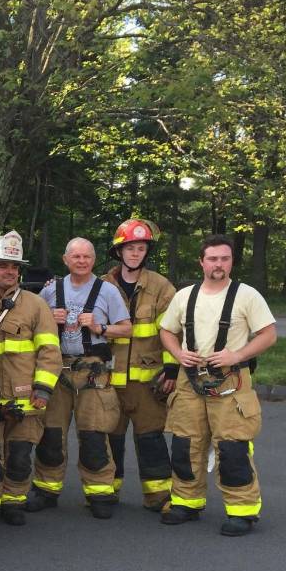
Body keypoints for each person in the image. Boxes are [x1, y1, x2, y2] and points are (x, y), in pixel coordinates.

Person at [158, 234, 277, 536]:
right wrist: (177, 353)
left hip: (231, 382)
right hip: (190, 381)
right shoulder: (185, 296)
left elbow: (268, 334)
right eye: (212, 258)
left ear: (232, 261)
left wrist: (237, 354)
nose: (218, 264)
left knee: (232, 447)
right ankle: (186, 502)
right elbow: (167, 331)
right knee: (186, 444)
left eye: (224, 258)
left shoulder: (247, 295)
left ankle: (242, 511)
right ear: (202, 261)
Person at [28, 237, 131, 518]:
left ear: (94, 260)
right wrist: (49, 317)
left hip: (92, 372)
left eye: (87, 256)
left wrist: (101, 327)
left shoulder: (108, 291)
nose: (82, 261)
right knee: (51, 434)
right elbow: (30, 324)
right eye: (76, 256)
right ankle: (46, 490)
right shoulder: (50, 291)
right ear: (65, 260)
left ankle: (99, 493)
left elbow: (127, 329)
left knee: (94, 434)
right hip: (57, 370)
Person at [0, 231, 62, 527]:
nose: (10, 272)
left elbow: (49, 351)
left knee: (20, 456)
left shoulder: (36, 305)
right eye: (2, 266)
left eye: (14, 267)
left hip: (25, 398)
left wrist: (44, 390)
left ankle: (13, 501)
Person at [101, 219, 178, 512]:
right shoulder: (102, 286)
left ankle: (158, 497)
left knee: (151, 438)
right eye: (130, 248)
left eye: (141, 248)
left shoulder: (160, 287)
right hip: (108, 379)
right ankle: (106, 492)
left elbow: (171, 332)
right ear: (119, 252)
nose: (135, 253)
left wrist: (171, 369)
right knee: (109, 438)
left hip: (147, 382)